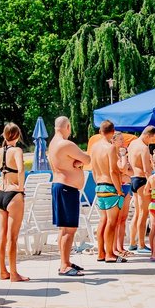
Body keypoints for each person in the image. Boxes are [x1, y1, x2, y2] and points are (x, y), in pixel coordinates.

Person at [47, 116, 91, 276]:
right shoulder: (65, 144)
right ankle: (64, 265)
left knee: (64, 229)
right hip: (67, 188)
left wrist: (76, 162)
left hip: (61, 186)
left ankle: (64, 261)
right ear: (67, 126)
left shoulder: (52, 144)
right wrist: (79, 161)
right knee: (69, 229)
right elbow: (87, 158)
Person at [0, 123, 29, 283]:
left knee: (2, 234)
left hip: (2, 194)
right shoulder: (17, 151)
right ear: (18, 135)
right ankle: (14, 273)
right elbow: (21, 170)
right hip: (14, 195)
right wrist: (20, 188)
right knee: (12, 237)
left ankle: (2, 271)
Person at [88, 120, 125, 263]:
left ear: (100, 132)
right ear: (113, 131)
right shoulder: (109, 148)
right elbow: (113, 171)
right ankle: (110, 254)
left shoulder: (94, 148)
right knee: (112, 221)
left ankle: (101, 253)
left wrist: (98, 184)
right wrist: (119, 190)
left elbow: (92, 170)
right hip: (110, 187)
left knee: (103, 220)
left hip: (99, 187)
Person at [127, 126, 155, 253]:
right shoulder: (144, 148)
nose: (151, 142)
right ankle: (141, 244)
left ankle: (132, 242)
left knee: (137, 213)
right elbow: (147, 170)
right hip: (142, 180)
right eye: (152, 139)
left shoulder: (132, 144)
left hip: (133, 179)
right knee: (143, 214)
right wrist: (153, 185)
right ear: (147, 135)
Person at [113, 132, 134, 259]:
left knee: (123, 219)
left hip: (126, 186)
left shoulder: (123, 156)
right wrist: (123, 157)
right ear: (113, 141)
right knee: (117, 220)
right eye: (120, 140)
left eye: (123, 140)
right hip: (119, 188)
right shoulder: (115, 155)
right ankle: (115, 247)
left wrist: (125, 172)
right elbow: (123, 169)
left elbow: (131, 172)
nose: (123, 142)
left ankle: (121, 247)